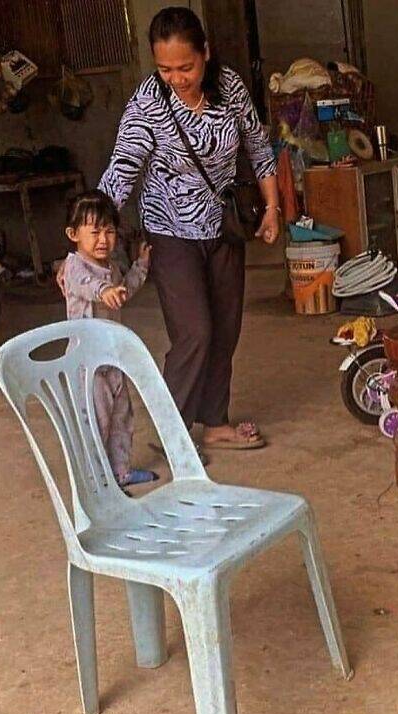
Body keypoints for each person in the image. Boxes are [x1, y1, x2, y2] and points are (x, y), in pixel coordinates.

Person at [99, 5, 280, 452]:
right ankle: (173, 432)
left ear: (206, 53)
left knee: (225, 329)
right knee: (194, 331)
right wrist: (90, 234)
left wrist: (273, 207)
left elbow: (259, 148)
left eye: (186, 67)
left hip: (224, 226)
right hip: (170, 229)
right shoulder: (148, 101)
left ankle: (214, 422)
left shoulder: (230, 87)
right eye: (165, 69)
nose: (176, 78)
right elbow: (122, 169)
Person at [63, 189, 158, 488]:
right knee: (96, 422)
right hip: (88, 365)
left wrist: (141, 265)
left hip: (112, 359)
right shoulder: (73, 267)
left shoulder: (111, 267)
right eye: (94, 232)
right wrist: (105, 291)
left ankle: (120, 472)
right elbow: (89, 286)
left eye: (109, 231)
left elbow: (123, 291)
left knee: (121, 417)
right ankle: (97, 483)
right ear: (73, 234)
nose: (103, 239)